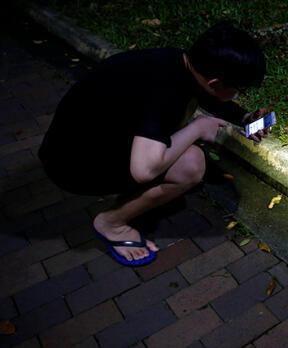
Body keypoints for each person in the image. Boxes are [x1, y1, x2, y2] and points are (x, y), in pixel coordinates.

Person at [38, 22, 270, 266]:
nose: (239, 95)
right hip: (71, 165)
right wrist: (197, 128)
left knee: (180, 143)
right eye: (239, 90)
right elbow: (144, 170)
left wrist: (243, 118)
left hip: (79, 142)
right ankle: (112, 223)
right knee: (191, 165)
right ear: (215, 83)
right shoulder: (167, 90)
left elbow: (202, 92)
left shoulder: (179, 63)